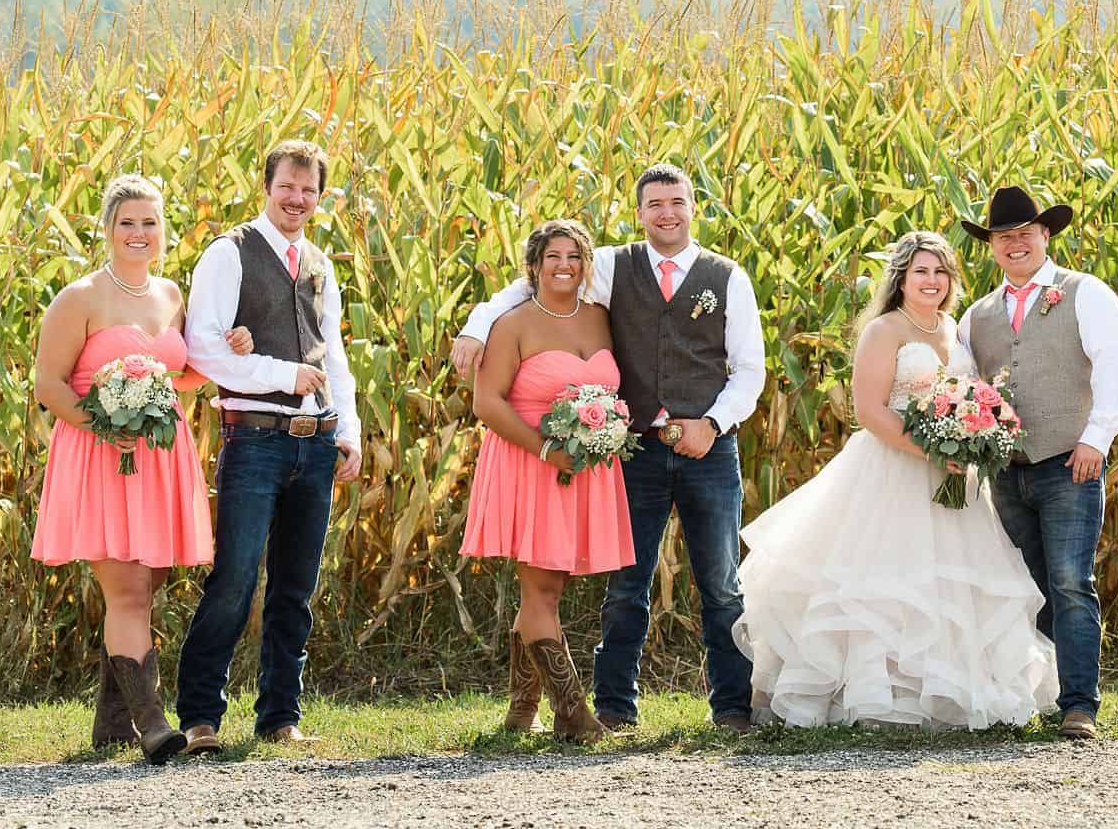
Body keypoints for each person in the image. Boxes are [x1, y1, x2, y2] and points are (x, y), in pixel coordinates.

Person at [452, 164, 764, 732]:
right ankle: (613, 707)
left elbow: (749, 369)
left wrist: (712, 424)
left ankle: (732, 708)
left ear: (694, 206)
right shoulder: (614, 268)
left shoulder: (728, 276)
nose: (666, 213)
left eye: (677, 202)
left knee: (720, 584)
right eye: (654, 205)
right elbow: (538, 286)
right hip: (636, 452)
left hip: (710, 452)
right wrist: (477, 326)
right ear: (640, 212)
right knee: (628, 586)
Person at [733, 231, 1057, 728]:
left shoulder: (956, 330)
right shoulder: (884, 330)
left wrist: (969, 441)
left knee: (949, 584)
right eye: (921, 271)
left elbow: (971, 397)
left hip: (954, 482)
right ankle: (871, 694)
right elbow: (869, 410)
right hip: (890, 470)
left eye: (941, 272)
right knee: (883, 582)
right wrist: (929, 449)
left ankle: (945, 693)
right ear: (902, 279)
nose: (932, 281)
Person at [30, 175, 249, 763]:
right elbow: (47, 384)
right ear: (106, 227)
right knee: (127, 588)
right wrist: (104, 424)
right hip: (101, 455)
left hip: (158, 457)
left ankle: (109, 723)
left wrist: (230, 350)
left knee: (146, 584)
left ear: (163, 231)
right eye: (127, 221)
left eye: (149, 222)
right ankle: (152, 723)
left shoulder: (172, 296)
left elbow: (183, 374)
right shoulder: (79, 298)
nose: (138, 232)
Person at [176, 140, 364, 752]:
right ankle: (201, 716)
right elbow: (202, 348)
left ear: (319, 196)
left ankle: (280, 716)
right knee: (234, 577)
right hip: (255, 439)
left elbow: (333, 353)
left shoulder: (319, 263)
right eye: (288, 186)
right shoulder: (228, 253)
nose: (297, 199)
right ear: (267, 185)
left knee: (295, 587)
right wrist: (280, 374)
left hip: (315, 443)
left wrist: (348, 429)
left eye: (309, 190)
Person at [957, 186, 1118, 740]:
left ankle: (1079, 704)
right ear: (991, 247)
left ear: (1045, 235)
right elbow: (964, 390)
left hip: (1069, 463)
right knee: (1025, 585)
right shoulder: (975, 317)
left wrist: (1096, 440)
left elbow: (1112, 368)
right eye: (1004, 236)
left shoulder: (1085, 294)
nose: (1015, 243)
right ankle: (1036, 694)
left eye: (1025, 233)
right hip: (1006, 471)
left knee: (1070, 581)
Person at [463, 219, 634, 743]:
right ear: (534, 266)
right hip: (529, 463)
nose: (565, 266)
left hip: (583, 468)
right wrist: (545, 449)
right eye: (553, 257)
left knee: (549, 588)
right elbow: (485, 401)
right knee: (540, 589)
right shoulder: (513, 324)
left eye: (575, 257)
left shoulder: (602, 319)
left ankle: (521, 711)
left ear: (586, 266)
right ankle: (572, 713)